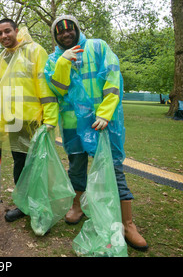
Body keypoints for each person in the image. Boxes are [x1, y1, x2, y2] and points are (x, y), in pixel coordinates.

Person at [44, 15, 148, 251]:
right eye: (59, 31)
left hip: (102, 122)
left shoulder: (99, 47)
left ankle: (128, 223)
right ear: (55, 36)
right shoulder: (53, 59)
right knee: (76, 166)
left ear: (77, 29)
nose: (65, 33)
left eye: (69, 28)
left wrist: (105, 113)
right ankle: (78, 206)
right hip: (72, 125)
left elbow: (113, 80)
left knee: (113, 168)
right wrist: (63, 62)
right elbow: (57, 89)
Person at [0, 18, 59, 223]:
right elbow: (0, 93)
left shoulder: (34, 51)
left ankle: (40, 205)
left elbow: (45, 86)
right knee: (19, 163)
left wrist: (49, 118)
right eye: (0, 33)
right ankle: (23, 204)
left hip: (35, 120)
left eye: (7, 31)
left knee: (37, 164)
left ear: (16, 30)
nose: (4, 36)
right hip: (14, 122)